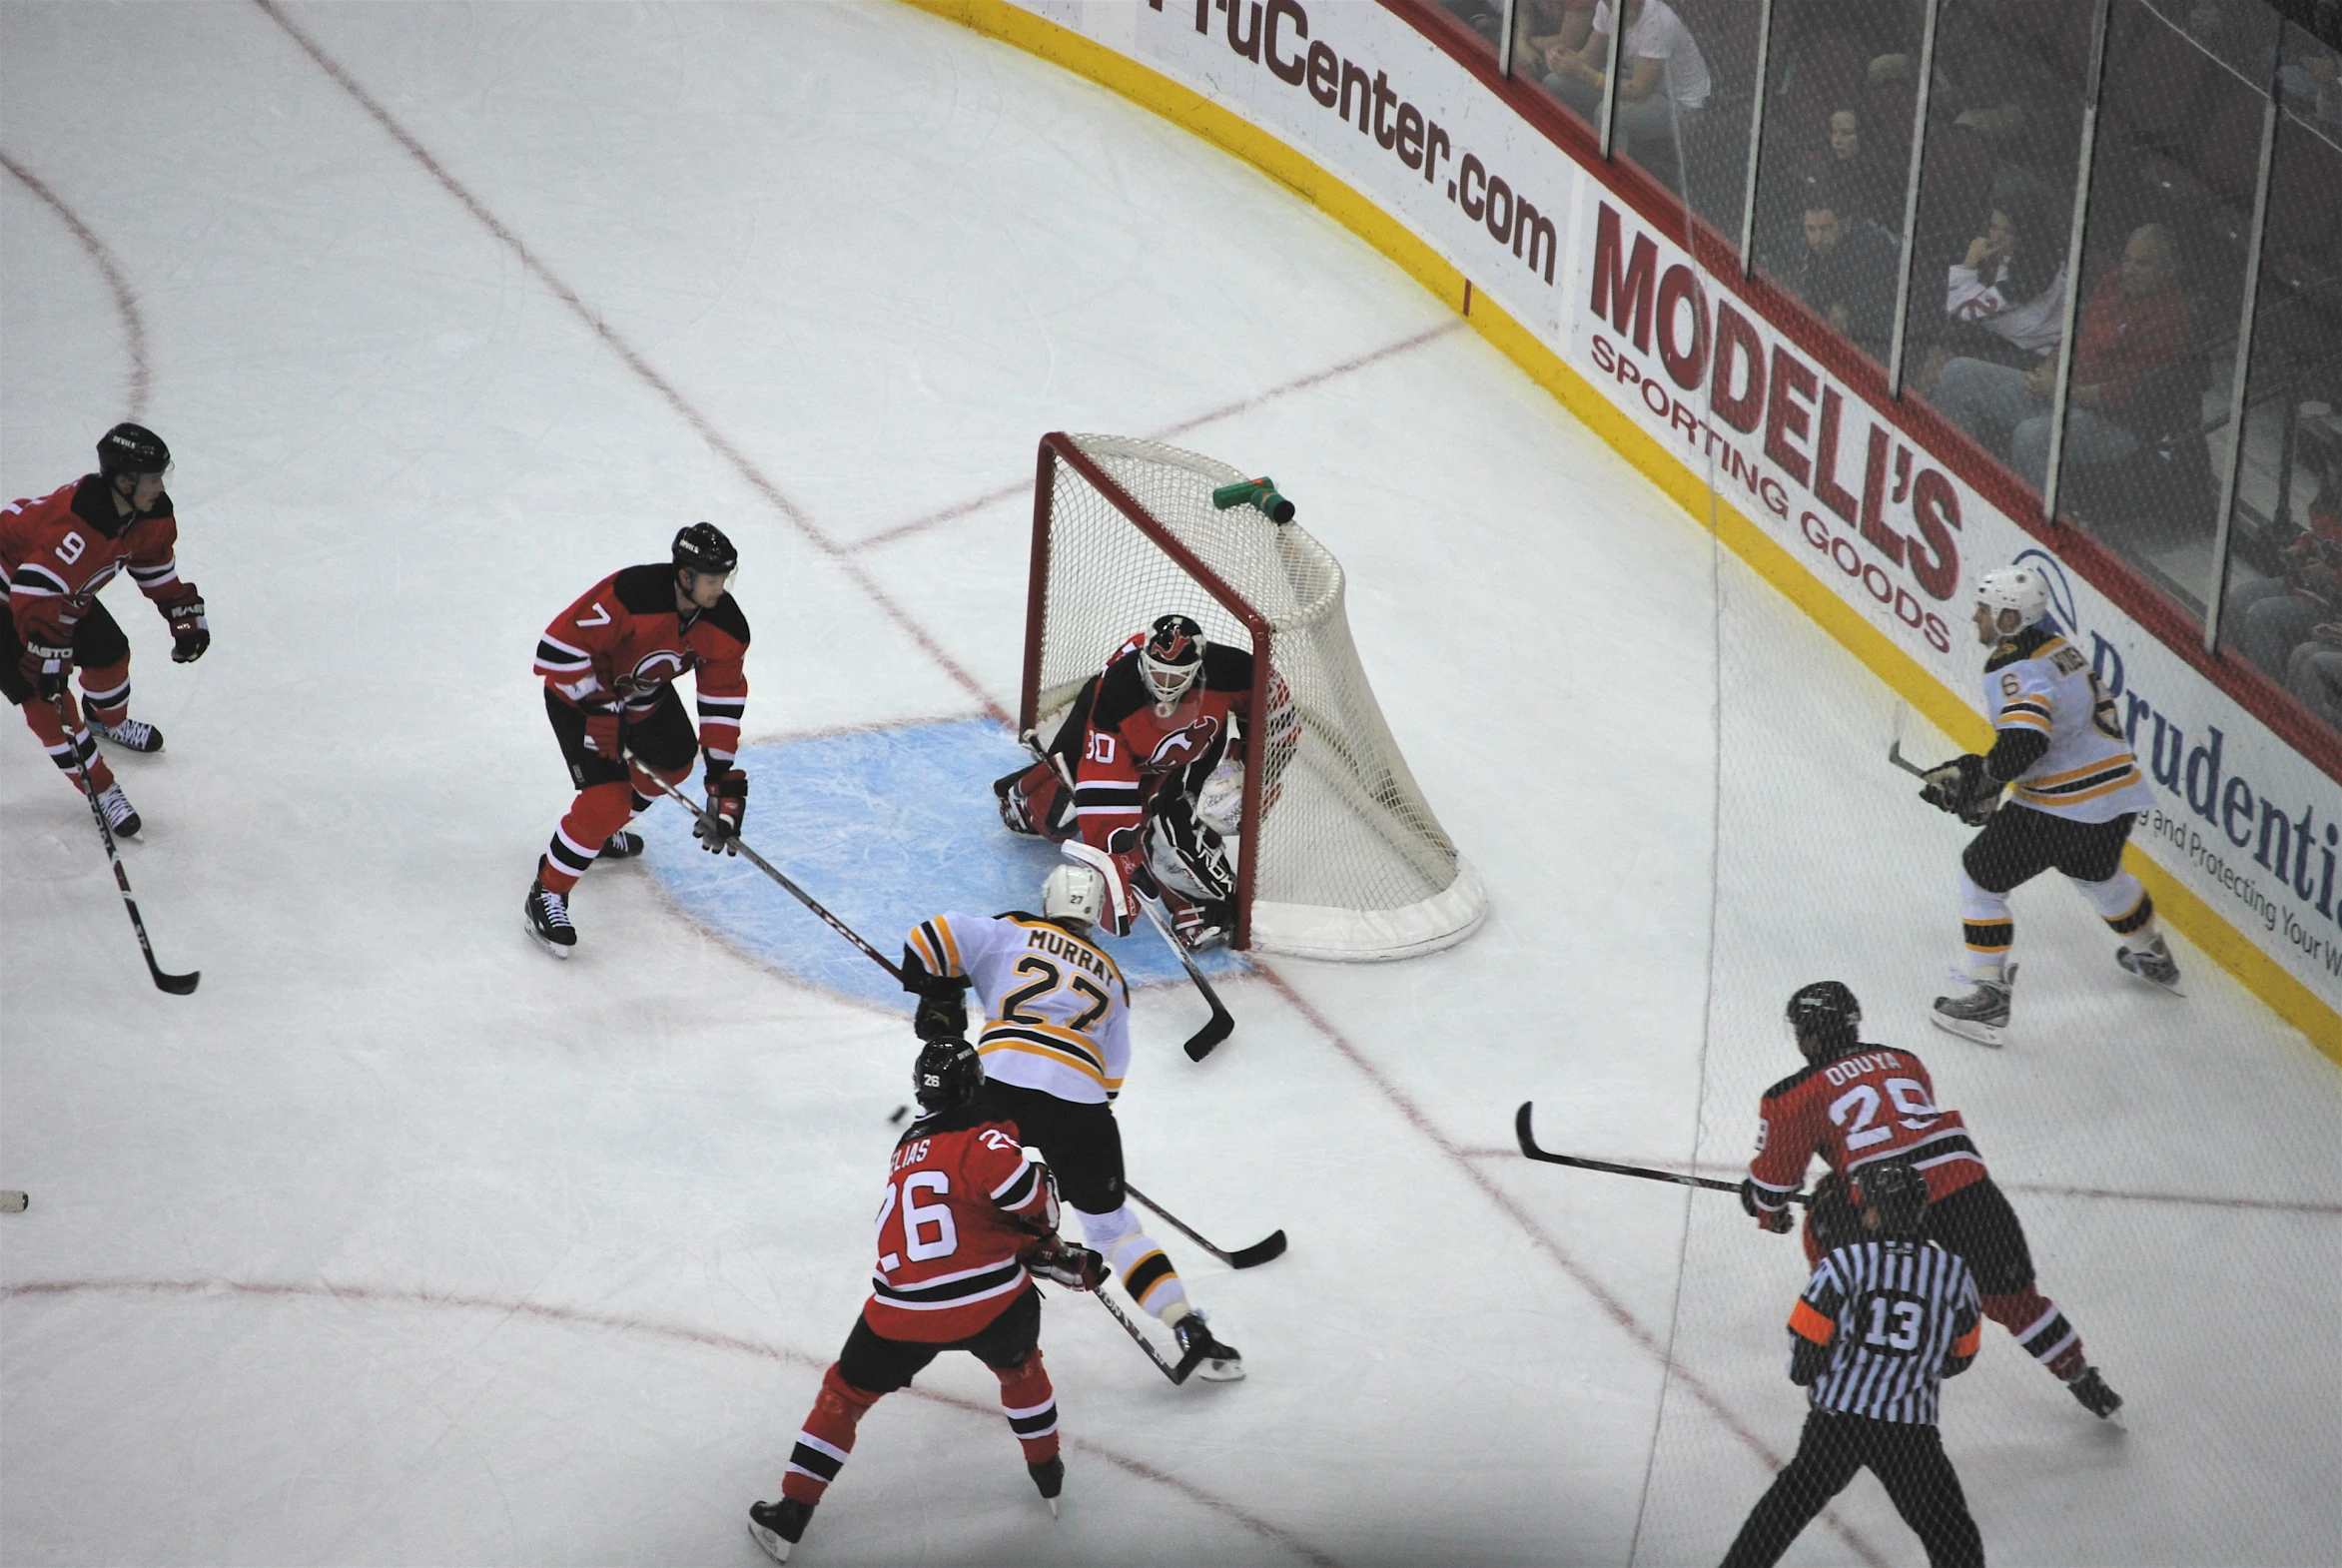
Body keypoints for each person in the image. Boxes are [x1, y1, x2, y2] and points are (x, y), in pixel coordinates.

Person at [744, 1036, 1108, 1563]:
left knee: (844, 1394)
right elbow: (1039, 1209)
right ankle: (1047, 1472)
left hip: (902, 1308)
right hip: (993, 1303)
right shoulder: (986, 1141)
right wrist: (1045, 1240)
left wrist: (1028, 1246)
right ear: (976, 1084)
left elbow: (959, 1228)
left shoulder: (905, 1149)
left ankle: (791, 1514)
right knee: (1021, 1369)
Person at [897, 858, 1244, 1381]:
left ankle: (1020, 1249)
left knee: (951, 1165)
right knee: (1113, 1229)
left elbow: (930, 936)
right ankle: (1187, 1324)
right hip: (1079, 1104)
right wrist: (1076, 1143)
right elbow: (1110, 1082)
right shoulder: (1113, 979)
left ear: (1046, 901)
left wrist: (941, 999)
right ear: (1096, 915)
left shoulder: (1010, 933)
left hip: (999, 1087)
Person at [1742, 981, 2122, 1421]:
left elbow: (1773, 1184)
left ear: (1806, 1036)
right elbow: (1904, 1130)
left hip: (1882, 1200)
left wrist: (1766, 1209)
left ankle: (1842, 1365)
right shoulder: (1905, 1060)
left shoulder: (1791, 1094)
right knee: (2010, 1297)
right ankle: (2077, 1372)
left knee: (1831, 1239)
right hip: (1963, 1181)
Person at [1916, 565, 2177, 1041]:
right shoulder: (2059, 648)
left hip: (2063, 805)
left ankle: (1988, 997)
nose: (1975, 617)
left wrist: (1986, 779)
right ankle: (2151, 953)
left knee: (1980, 876)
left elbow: (2025, 741)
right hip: (2118, 794)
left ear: (2010, 618)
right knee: (2097, 875)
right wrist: (1987, 775)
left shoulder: (2012, 665)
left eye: (1984, 609)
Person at [1719, 1164, 1984, 1568]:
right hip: (1909, 1430)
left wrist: (1810, 1376)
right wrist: (1914, 1373)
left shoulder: (1845, 1264)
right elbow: (1962, 1354)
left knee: (1784, 1508)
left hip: (1837, 1422)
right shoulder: (1953, 1272)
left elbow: (1806, 1338)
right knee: (1950, 1531)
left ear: (1874, 1213)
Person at [992, 612, 1295, 951]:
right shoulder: (1118, 694)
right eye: (1157, 671)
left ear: (1197, 667)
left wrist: (1256, 764)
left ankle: (1197, 904)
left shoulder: (1231, 670)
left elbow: (1277, 711)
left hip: (1190, 751)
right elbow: (1103, 787)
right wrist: (1119, 856)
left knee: (1169, 822)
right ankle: (1030, 799)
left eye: (1176, 675)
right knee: (1063, 807)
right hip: (1110, 733)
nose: (1165, 684)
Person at [523, 523, 749, 957]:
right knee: (606, 797)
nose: (721, 589)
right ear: (684, 576)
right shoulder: (632, 595)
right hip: (579, 699)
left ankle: (600, 833)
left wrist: (720, 773)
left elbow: (721, 694)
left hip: (643, 699)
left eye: (725, 579)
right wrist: (596, 704)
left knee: (676, 762)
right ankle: (547, 891)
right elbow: (555, 650)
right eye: (712, 580)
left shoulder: (725, 625)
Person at [1, 423, 211, 835]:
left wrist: (181, 613)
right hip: (11, 599)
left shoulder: (146, 512)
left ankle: (106, 720)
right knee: (45, 703)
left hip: (58, 595)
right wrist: (45, 656)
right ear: (122, 480)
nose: (160, 486)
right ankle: (101, 788)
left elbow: (152, 564)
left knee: (111, 655)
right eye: (152, 478)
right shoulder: (78, 524)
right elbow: (33, 589)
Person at [1933, 224, 2195, 492]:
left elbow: (2125, 393)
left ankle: (2032, 520)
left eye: (2143, 264)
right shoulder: (2112, 283)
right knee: (1958, 374)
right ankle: (1954, 477)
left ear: (2170, 269)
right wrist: (2048, 370)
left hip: (2112, 423)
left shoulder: (2171, 320)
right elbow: (2073, 332)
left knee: (2031, 437)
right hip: (2060, 392)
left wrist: (2061, 391)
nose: (2130, 269)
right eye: (2127, 259)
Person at [1913, 196, 2068, 396]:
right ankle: (1922, 397)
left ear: (2025, 233)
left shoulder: (2038, 268)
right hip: (2008, 336)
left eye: (2008, 231)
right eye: (1994, 228)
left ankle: (1921, 401)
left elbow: (1964, 312)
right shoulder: (2005, 256)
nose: (1997, 238)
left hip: (2032, 353)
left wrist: (1969, 265)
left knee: (1955, 335)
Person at [2222, 431, 2342, 681]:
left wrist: (2331, 576)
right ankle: (2229, 677)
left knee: (2261, 615)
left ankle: (2264, 692)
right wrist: (2300, 548)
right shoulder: (2328, 498)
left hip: (2332, 605)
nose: (2333, 476)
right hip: (2304, 585)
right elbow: (2316, 536)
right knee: (2237, 599)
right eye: (2332, 468)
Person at [1542, 0, 1712, 162]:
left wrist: (1582, 71)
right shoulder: (1606, 7)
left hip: (1679, 103)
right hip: (1636, 79)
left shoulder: (1659, 22)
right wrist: (1564, 61)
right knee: (1555, 83)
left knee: (1609, 113)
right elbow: (1590, 59)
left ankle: (1606, 177)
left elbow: (1638, 91)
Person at [1787, 187, 1903, 361]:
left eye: (1826, 229)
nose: (1818, 239)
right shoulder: (1806, 248)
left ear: (1845, 224)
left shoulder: (1872, 250)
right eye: (1811, 229)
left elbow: (1876, 310)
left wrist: (1847, 312)